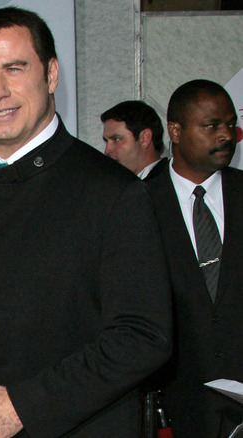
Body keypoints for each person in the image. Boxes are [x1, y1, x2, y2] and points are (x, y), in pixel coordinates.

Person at [0, 7, 172, 437]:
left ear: (50, 75)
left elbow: (143, 336)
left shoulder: (114, 192)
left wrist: (23, 406)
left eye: (14, 68)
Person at [146, 79, 243, 437]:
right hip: (172, 408)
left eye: (231, 124)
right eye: (211, 125)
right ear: (175, 130)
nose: (226, 136)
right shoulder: (140, 203)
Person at [101, 100, 168, 179]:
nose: (107, 150)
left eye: (116, 139)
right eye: (106, 141)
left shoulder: (168, 184)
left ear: (144, 138)